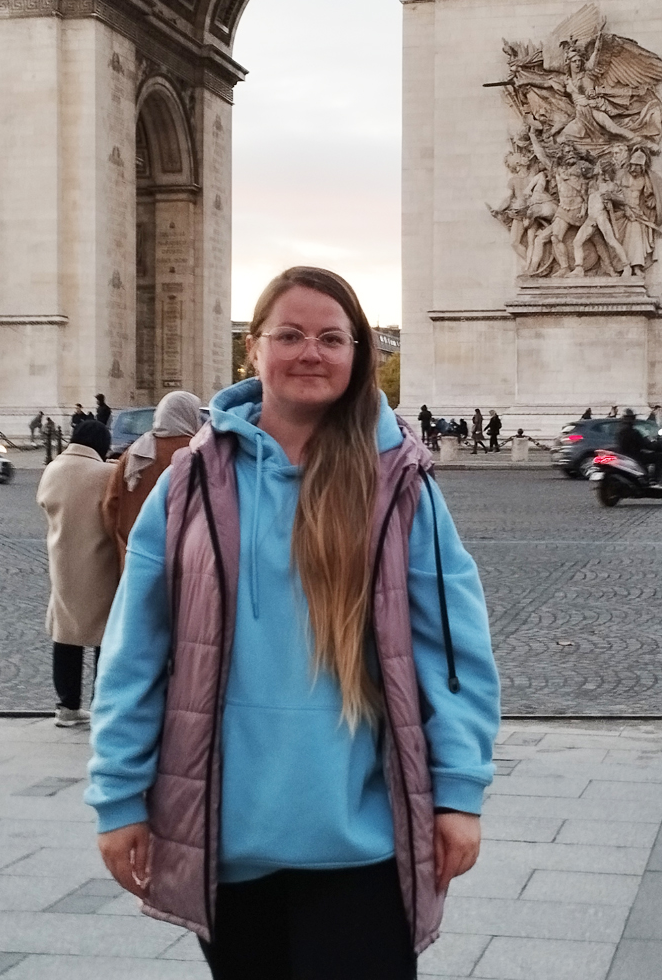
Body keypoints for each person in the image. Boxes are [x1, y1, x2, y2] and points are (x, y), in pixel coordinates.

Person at [87, 266, 500, 978]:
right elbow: (135, 651)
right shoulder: (187, 483)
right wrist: (118, 794)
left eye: (332, 338)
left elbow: (454, 650)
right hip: (227, 833)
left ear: (358, 353)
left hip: (363, 839)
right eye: (291, 335)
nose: (311, 352)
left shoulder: (400, 484)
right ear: (255, 349)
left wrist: (460, 790)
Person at [36, 415, 119, 728]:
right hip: (99, 562)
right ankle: (101, 704)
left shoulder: (53, 469)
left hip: (62, 561)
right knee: (104, 637)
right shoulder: (106, 472)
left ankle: (67, 706)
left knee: (66, 635)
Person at [101, 391, 201, 566]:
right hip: (185, 561)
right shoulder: (199, 454)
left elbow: (111, 505)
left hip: (135, 557)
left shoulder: (134, 453)